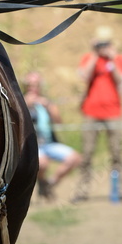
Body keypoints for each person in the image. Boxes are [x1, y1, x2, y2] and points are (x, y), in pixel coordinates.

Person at [70, 27, 122, 203]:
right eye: (100, 44)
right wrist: (95, 55)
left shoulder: (119, 60)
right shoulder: (90, 59)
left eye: (106, 43)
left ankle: (121, 190)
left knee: (117, 153)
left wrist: (111, 60)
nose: (103, 47)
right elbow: (84, 76)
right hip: (91, 112)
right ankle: (82, 191)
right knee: (87, 153)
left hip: (114, 112)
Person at [22, 70, 81, 199]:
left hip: (49, 143)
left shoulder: (46, 102)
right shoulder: (20, 101)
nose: (34, 88)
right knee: (42, 163)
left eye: (36, 85)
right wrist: (25, 104)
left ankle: (49, 184)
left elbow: (58, 122)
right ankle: (41, 184)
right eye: (31, 85)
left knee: (75, 159)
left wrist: (49, 105)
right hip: (33, 145)